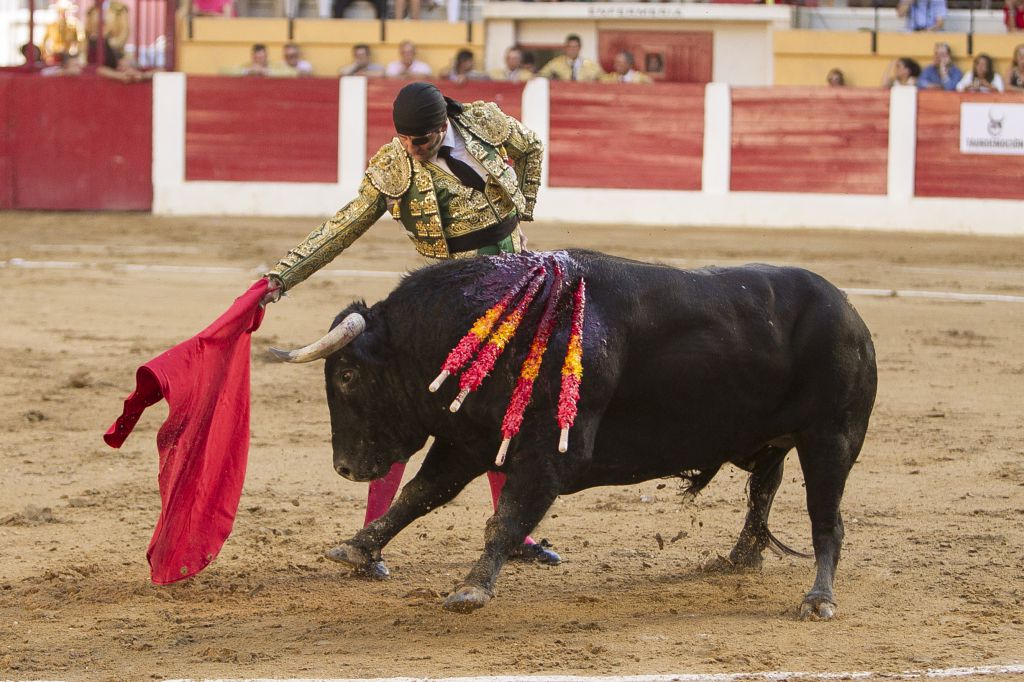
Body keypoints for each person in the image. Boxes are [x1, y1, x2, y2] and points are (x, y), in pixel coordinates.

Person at [261, 83, 553, 577]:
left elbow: (531, 147)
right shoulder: (393, 167)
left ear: (443, 126)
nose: (412, 149)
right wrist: (281, 278)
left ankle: (515, 533)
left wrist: (522, 209)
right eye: (404, 139)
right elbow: (343, 226)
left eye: (421, 140)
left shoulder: (481, 122)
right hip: (449, 299)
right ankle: (370, 537)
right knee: (401, 406)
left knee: (509, 406)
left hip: (515, 282)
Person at [537, 34, 604, 82]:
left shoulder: (590, 65)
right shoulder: (555, 64)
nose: (572, 50)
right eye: (570, 47)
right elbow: (541, 76)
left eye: (575, 47)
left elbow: (603, 78)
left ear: (580, 48)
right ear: (565, 48)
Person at [41, 0, 82, 65]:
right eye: (61, 11)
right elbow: (43, 41)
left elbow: (80, 41)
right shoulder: (52, 25)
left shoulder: (74, 25)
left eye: (65, 11)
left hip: (69, 56)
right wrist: (46, 54)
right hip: (54, 55)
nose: (63, 14)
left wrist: (74, 53)